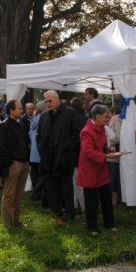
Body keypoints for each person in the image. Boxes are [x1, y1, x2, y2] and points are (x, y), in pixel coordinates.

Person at [37, 90, 82, 223]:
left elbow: (76, 135)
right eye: (46, 101)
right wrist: (42, 149)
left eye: (50, 101)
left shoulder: (69, 113)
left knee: (66, 187)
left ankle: (69, 213)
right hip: (48, 159)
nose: (47, 103)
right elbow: (38, 135)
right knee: (51, 187)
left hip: (63, 159)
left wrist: (65, 150)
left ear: (57, 99)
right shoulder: (44, 116)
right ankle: (56, 211)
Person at [77, 104, 121, 234]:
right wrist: (106, 155)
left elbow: (101, 146)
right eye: (106, 117)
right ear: (97, 117)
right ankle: (92, 227)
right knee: (91, 200)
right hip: (90, 170)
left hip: (101, 169)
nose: (108, 119)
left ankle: (110, 223)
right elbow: (88, 152)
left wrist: (107, 149)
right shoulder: (86, 131)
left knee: (106, 198)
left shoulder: (102, 128)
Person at [0, 100, 31, 227]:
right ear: (11, 110)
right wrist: (11, 162)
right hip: (14, 164)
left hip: (24, 162)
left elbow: (25, 141)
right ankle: (8, 222)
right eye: (20, 108)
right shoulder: (3, 126)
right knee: (10, 194)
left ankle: (16, 220)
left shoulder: (21, 123)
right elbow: (0, 147)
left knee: (19, 194)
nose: (22, 110)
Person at [28, 101, 47, 205]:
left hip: (34, 151)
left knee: (35, 175)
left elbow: (30, 134)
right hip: (40, 151)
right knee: (42, 175)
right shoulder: (44, 118)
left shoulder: (33, 119)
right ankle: (37, 194)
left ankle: (36, 194)